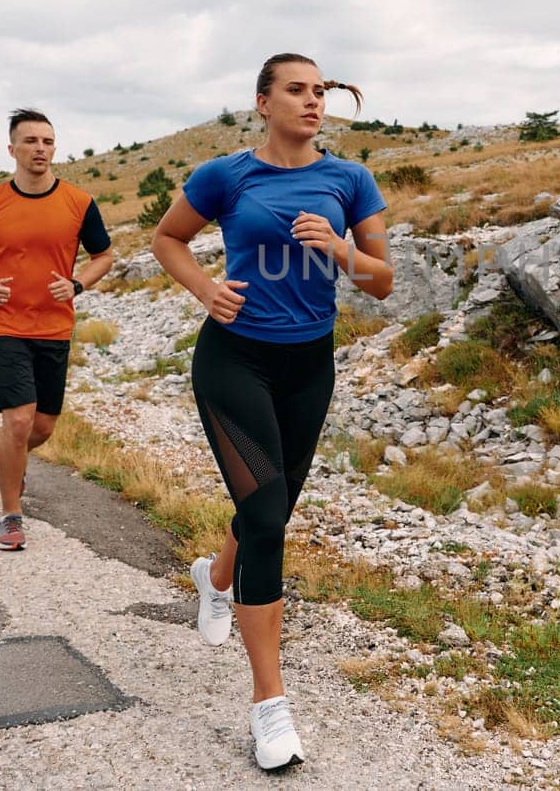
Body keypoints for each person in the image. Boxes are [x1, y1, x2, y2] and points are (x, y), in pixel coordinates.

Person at [151, 53, 392, 772]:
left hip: (307, 366)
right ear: (263, 101)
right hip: (234, 359)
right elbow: (168, 239)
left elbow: (383, 281)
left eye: (321, 91)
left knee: (272, 510)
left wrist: (343, 248)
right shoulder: (226, 175)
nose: (313, 101)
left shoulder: (350, 180)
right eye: (297, 89)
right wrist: (204, 288)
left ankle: (216, 578)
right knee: (265, 517)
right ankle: (269, 707)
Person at [0, 108, 114, 551]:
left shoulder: (79, 203)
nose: (40, 149)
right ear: (12, 149)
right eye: (30, 141)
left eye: (47, 141)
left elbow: (104, 257)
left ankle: (9, 457)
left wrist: (77, 283)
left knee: (40, 428)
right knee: (18, 420)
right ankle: (10, 514)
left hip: (54, 326)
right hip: (1, 323)